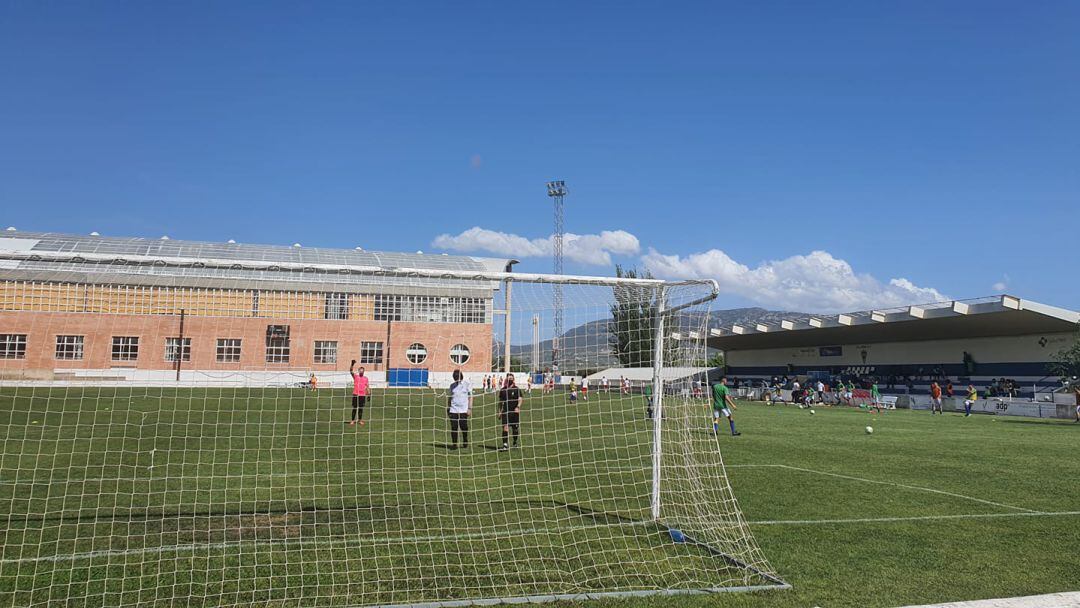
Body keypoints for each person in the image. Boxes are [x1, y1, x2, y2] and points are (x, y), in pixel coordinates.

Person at [447, 369, 472, 449]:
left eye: (458, 377)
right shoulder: (452, 386)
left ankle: (465, 440)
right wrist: (448, 407)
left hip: (463, 410)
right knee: (454, 427)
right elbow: (450, 397)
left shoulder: (466, 384)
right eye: (455, 377)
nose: (456, 379)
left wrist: (469, 408)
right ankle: (454, 444)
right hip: (453, 409)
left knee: (464, 426)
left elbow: (471, 397)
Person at [497, 374, 523, 450]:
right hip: (505, 411)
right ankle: (505, 445)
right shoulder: (503, 390)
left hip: (514, 412)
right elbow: (500, 402)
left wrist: (518, 407)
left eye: (511, 378)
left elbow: (520, 399)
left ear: (513, 379)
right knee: (505, 428)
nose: (510, 379)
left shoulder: (516, 389)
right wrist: (499, 412)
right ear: (506, 379)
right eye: (509, 378)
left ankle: (515, 442)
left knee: (515, 428)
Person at [348, 361, 369, 426]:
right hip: (355, 394)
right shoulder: (356, 377)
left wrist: (369, 394)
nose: (361, 371)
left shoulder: (366, 378)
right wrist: (352, 364)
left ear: (364, 371)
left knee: (361, 408)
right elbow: (351, 371)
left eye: (362, 370)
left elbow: (367, 386)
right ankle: (352, 420)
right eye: (360, 370)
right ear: (359, 371)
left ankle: (360, 420)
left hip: (362, 395)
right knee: (354, 408)